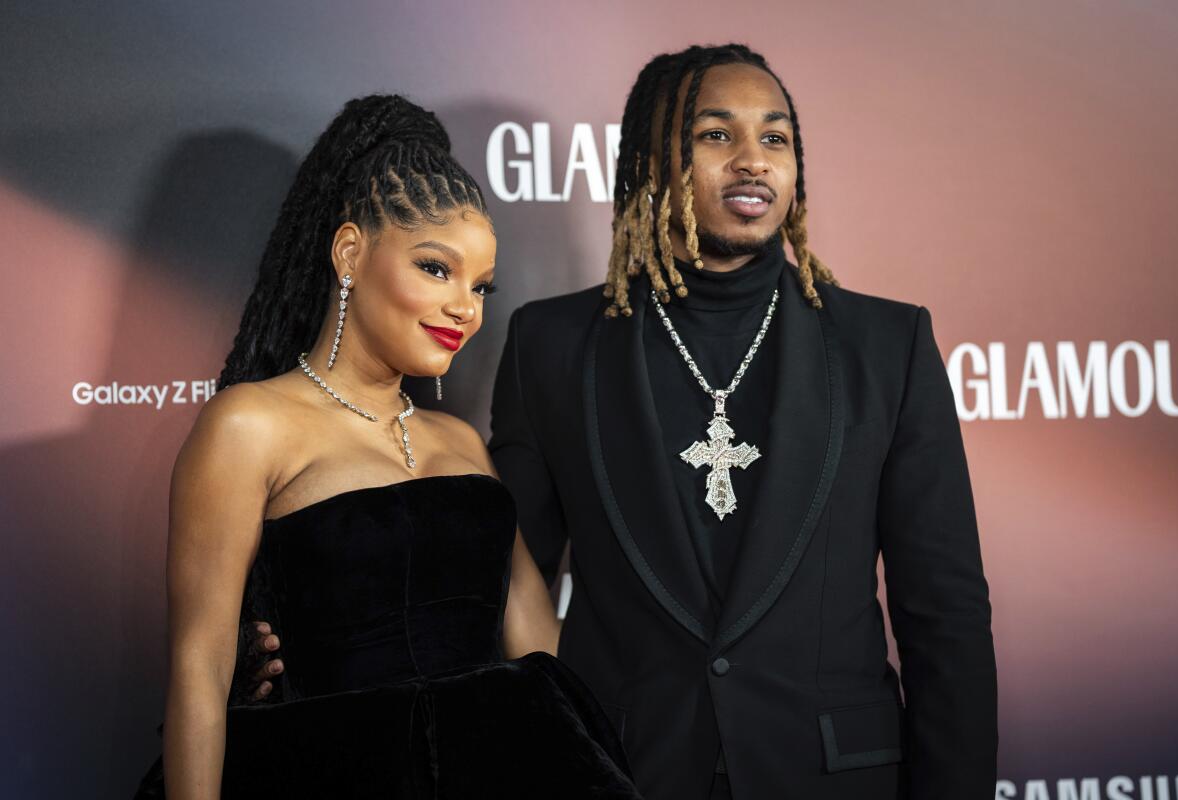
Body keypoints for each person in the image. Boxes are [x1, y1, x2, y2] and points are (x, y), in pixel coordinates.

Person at [251, 44, 998, 799]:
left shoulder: (885, 345)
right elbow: (495, 589)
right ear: (650, 160)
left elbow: (947, 618)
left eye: (774, 137)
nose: (752, 160)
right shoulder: (554, 346)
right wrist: (328, 635)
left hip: (836, 780)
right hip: (623, 777)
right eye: (715, 135)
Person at [135, 95, 641, 799]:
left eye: (482, 285)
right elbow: (199, 670)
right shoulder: (249, 425)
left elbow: (539, 648)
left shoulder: (460, 441)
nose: (467, 307)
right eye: (436, 269)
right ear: (350, 252)